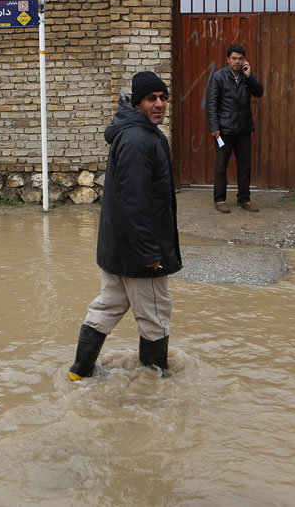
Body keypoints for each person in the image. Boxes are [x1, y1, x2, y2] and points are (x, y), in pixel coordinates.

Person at [68, 71, 182, 380]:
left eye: (163, 98)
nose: (159, 104)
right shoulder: (137, 139)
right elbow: (135, 202)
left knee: (107, 307)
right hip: (140, 252)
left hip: (118, 249)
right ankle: (156, 386)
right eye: (151, 99)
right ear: (137, 103)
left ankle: (79, 373)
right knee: (155, 316)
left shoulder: (136, 133)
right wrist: (149, 253)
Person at [205, 44, 264, 213]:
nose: (237, 62)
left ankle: (244, 199)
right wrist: (214, 126)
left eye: (240, 59)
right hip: (224, 129)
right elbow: (212, 104)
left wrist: (250, 75)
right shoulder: (218, 77)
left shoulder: (246, 76)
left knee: (245, 165)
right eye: (234, 58)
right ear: (228, 59)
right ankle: (219, 199)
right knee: (221, 165)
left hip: (244, 128)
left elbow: (259, 92)